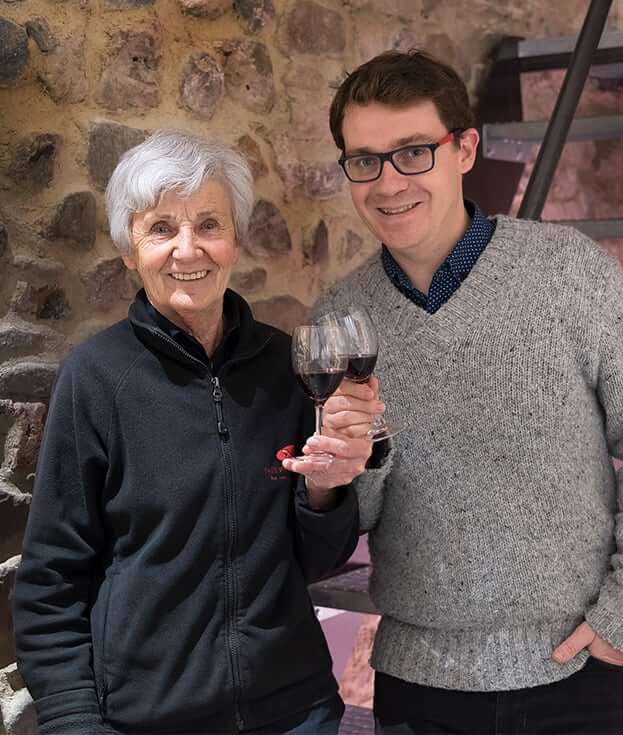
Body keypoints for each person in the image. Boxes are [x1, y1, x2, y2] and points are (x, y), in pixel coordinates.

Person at [317, 50, 623, 734]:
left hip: (577, 676)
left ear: (465, 149)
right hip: (418, 685)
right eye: (364, 159)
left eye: (412, 152)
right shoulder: (340, 315)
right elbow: (351, 512)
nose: (388, 183)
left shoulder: (569, 274)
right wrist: (335, 476)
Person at [13, 130, 382, 735]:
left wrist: (329, 492)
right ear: (129, 249)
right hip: (150, 719)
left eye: (209, 224)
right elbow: (51, 578)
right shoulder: (96, 379)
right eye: (161, 229)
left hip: (295, 711)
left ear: (235, 239)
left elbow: (316, 559)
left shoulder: (284, 366)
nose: (189, 250)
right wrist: (75, 721)